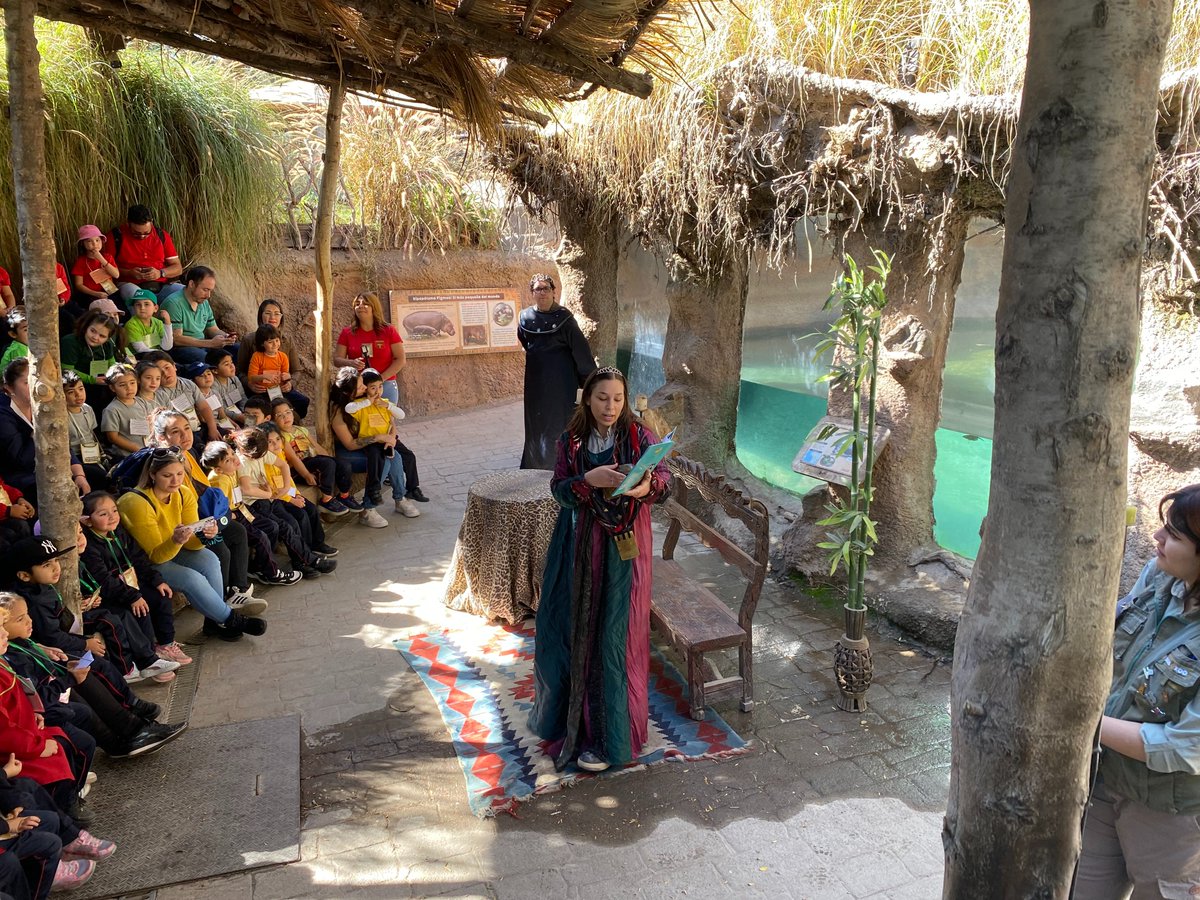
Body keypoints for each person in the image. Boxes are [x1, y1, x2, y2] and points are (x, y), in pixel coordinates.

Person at [528, 367, 671, 773]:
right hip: (577, 546)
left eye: (618, 399)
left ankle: (612, 740)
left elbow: (664, 478)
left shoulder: (639, 435)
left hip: (626, 550)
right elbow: (559, 490)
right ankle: (577, 730)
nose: (611, 407)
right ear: (587, 399)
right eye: (602, 398)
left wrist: (646, 487)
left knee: (615, 636)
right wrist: (588, 479)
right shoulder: (570, 440)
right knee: (574, 632)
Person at [1073, 485, 1200, 898]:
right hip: (1105, 784)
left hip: (1171, 818)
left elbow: (1184, 748)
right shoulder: (1161, 579)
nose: (1157, 538)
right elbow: (1115, 625)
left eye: (1174, 534)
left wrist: (1082, 720)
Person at [117, 448, 266, 642]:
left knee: (211, 558)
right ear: (152, 475)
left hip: (173, 547)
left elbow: (194, 544)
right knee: (192, 578)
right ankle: (231, 620)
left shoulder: (183, 493)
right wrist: (177, 540)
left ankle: (215, 622)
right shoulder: (137, 502)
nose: (175, 481)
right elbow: (156, 556)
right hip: (146, 561)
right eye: (167, 476)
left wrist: (205, 535)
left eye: (179, 474)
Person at [145, 409, 254, 606]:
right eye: (176, 432)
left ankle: (238, 590)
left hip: (201, 515)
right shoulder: (164, 461)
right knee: (220, 551)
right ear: (162, 437)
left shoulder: (188, 454)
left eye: (187, 428)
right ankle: (220, 604)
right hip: (181, 526)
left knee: (237, 531)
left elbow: (202, 490)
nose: (185, 435)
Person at [334, 292, 428, 503]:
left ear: (374, 307)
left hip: (385, 385)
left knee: (389, 435)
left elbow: (400, 359)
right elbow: (336, 359)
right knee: (377, 436)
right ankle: (395, 494)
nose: (361, 306)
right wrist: (350, 363)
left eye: (366, 303)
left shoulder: (388, 331)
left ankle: (400, 492)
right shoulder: (348, 332)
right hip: (358, 389)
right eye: (357, 303)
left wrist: (378, 381)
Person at [80, 492, 192, 666]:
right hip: (113, 594)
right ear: (87, 520)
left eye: (114, 511)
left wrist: (156, 580)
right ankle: (150, 659)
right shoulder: (89, 545)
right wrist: (132, 597)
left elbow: (138, 558)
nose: (112, 517)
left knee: (161, 595)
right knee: (140, 609)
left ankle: (165, 645)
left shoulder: (119, 532)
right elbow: (104, 580)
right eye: (103, 514)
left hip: (130, 587)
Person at [517, 274, 597, 470]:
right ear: (532, 293)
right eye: (538, 289)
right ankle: (535, 465)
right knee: (536, 425)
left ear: (554, 292)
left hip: (561, 382)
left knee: (558, 425)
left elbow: (581, 351)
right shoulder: (525, 317)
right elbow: (526, 342)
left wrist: (591, 383)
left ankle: (559, 467)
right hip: (535, 382)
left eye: (546, 288)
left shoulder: (565, 319)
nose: (542, 292)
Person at [200, 441, 302, 587]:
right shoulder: (219, 480)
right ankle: (271, 574)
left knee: (272, 527)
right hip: (232, 516)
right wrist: (234, 514)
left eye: (232, 454)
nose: (235, 459)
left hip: (242, 509)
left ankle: (259, 567)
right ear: (218, 469)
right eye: (228, 460)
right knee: (261, 537)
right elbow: (221, 509)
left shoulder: (232, 470)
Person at [0, 360, 90, 507]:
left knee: (95, 478)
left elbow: (63, 444)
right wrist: (40, 431)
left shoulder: (45, 402)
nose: (36, 386)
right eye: (27, 382)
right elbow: (20, 461)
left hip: (51, 467)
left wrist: (79, 474)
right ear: (9, 388)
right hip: (22, 476)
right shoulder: (3, 415)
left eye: (38, 380)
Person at [328, 367, 406, 528]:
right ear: (348, 393)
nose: (365, 388)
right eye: (360, 386)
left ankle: (400, 498)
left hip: (370, 447)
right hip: (348, 452)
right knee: (385, 461)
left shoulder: (366, 398)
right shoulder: (339, 412)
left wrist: (391, 436)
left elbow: (389, 419)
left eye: (363, 384)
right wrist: (378, 437)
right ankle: (368, 510)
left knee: (395, 455)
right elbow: (349, 444)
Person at [269, 397, 357, 516]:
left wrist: (332, 461)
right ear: (273, 420)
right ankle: (326, 500)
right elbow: (294, 459)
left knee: (343, 464)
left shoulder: (302, 430)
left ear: (293, 412)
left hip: (313, 461)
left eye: (287, 412)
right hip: (298, 468)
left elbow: (316, 447)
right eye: (279, 415)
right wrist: (306, 475)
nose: (285, 417)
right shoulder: (280, 436)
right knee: (326, 463)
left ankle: (344, 495)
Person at [236, 300, 308, 420]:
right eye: (268, 313)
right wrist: (250, 384)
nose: (272, 317)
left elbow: (296, 371)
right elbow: (240, 371)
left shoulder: (287, 340)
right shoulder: (249, 340)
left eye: (277, 313)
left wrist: (290, 383)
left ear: (281, 317)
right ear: (260, 316)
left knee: (302, 402)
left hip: (280, 389)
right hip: (259, 390)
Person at [158, 267, 236, 367]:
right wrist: (210, 343)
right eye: (205, 290)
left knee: (236, 349)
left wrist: (226, 337)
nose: (208, 295)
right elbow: (176, 339)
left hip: (203, 345)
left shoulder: (203, 302)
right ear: (191, 284)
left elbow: (212, 329)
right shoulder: (174, 303)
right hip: (181, 348)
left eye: (210, 291)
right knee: (209, 360)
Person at [59, 311, 131, 411]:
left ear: (108, 338)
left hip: (101, 383)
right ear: (86, 327)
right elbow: (67, 370)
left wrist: (117, 374)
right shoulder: (71, 342)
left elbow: (112, 364)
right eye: (93, 331)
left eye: (102, 336)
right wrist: (93, 380)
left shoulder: (108, 344)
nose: (95, 337)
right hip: (77, 386)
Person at [108, 205, 183, 301]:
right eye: (136, 233)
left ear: (151, 222)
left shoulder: (161, 235)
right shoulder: (116, 236)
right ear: (128, 224)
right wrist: (129, 273)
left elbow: (177, 268)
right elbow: (106, 268)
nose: (142, 236)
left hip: (160, 284)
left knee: (189, 293)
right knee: (142, 301)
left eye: (147, 232)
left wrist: (160, 273)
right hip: (129, 283)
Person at [144, 351, 221, 445]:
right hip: (182, 437)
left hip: (199, 426)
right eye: (159, 372)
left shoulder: (188, 384)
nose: (165, 373)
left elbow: (204, 407)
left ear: (174, 366)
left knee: (226, 436)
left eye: (167, 367)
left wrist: (212, 429)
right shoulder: (157, 395)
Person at [61, 373, 109, 491]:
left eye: (81, 389)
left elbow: (91, 433)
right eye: (71, 392)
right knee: (101, 477)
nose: (78, 395)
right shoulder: (60, 415)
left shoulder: (87, 408)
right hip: (75, 457)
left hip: (92, 452)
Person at [100, 363, 153, 461]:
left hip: (148, 449)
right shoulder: (112, 409)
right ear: (112, 388)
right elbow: (113, 438)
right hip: (127, 455)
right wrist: (137, 449)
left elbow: (151, 421)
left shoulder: (141, 401)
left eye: (132, 383)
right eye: (122, 385)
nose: (129, 388)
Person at [70, 225, 120, 309]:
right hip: (89, 294)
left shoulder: (108, 257)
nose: (94, 244)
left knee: (117, 305)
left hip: (109, 289)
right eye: (89, 241)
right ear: (83, 244)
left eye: (97, 240)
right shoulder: (81, 261)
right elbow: (79, 284)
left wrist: (101, 259)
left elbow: (116, 275)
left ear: (102, 241)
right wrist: (96, 293)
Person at [122, 288, 173, 356]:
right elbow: (141, 349)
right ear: (134, 308)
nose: (142, 308)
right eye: (138, 304)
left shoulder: (158, 323)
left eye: (146, 304)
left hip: (156, 355)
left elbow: (167, 347)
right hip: (138, 358)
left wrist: (167, 323)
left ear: (155, 308)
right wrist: (162, 354)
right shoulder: (131, 325)